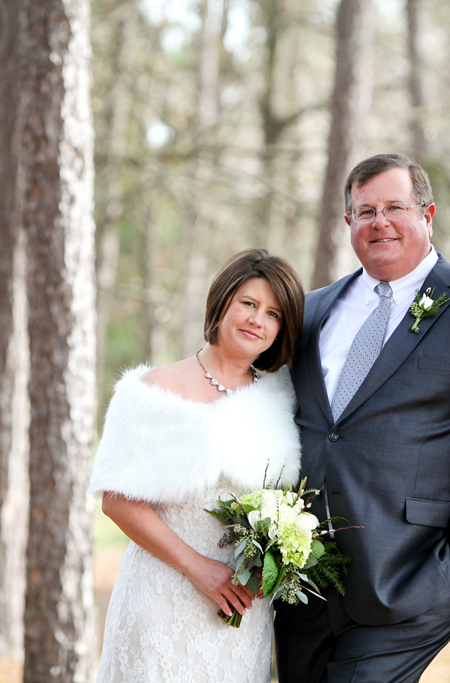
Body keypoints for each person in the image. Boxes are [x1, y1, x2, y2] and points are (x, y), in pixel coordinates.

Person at [274, 154, 450, 682]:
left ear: (427, 214)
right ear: (348, 225)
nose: (379, 222)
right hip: (303, 584)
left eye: (394, 207)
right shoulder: (311, 310)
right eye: (364, 211)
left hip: (408, 581)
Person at [90, 248, 306, 683]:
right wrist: (198, 568)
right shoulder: (153, 391)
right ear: (223, 301)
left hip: (243, 612)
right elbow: (115, 501)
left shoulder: (281, 399)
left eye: (273, 314)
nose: (257, 320)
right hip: (162, 598)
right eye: (248, 303)